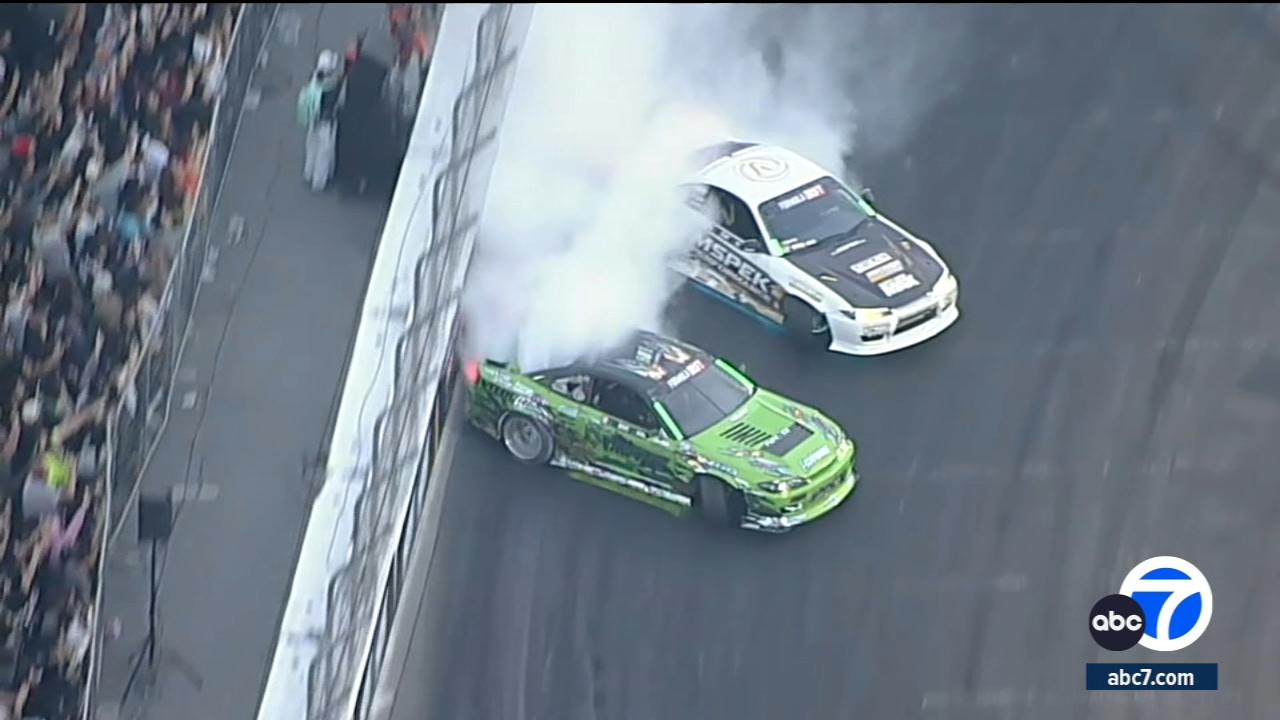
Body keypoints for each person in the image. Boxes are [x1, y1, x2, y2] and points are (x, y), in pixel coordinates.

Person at [334, 34, 392, 197]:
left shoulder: (358, 75)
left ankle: (354, 184)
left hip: (356, 122)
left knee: (353, 156)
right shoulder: (370, 69)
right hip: (362, 121)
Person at [297, 50, 343, 192]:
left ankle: (308, 173)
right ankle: (319, 182)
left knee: (311, 147)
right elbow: (338, 103)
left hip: (313, 119)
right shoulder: (332, 85)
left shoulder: (313, 80)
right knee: (324, 152)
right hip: (326, 122)